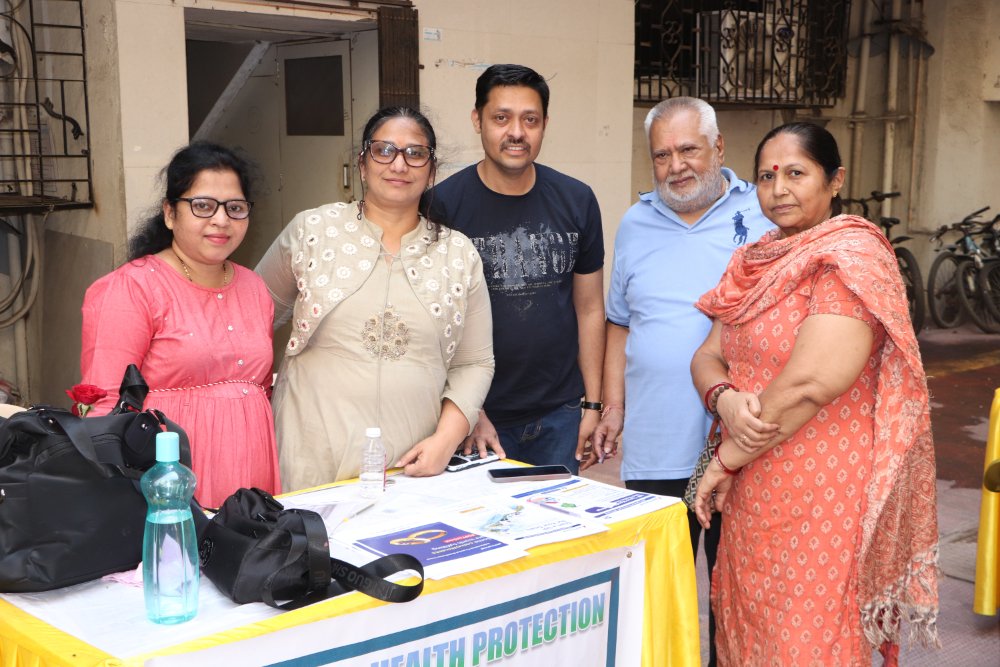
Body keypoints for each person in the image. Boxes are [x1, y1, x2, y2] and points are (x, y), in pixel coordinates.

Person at [691, 122, 939, 665]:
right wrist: (723, 397)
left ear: (835, 180)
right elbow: (707, 356)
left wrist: (724, 460)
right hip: (754, 489)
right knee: (750, 627)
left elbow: (812, 381)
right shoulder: (753, 262)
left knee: (808, 638)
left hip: (824, 494)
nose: (778, 189)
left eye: (796, 173)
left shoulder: (850, 257)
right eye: (766, 176)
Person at [591, 97, 772, 666]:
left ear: (719, 148)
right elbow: (619, 322)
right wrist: (612, 406)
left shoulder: (763, 213)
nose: (676, 166)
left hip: (743, 446)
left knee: (735, 598)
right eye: (661, 155)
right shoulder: (636, 222)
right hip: (657, 445)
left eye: (688, 149)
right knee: (656, 599)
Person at [255, 106, 495, 491]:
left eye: (415, 153)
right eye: (384, 150)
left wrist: (446, 440)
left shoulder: (458, 255)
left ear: (432, 171)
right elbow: (248, 318)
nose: (399, 164)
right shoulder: (312, 232)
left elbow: (475, 363)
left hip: (411, 464)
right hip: (310, 454)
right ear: (362, 165)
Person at [425, 64, 605, 474]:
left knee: (556, 517)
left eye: (530, 120)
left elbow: (590, 308)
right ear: (478, 120)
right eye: (501, 118)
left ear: (545, 125)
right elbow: (435, 325)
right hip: (478, 417)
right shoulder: (441, 206)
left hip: (560, 414)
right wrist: (468, 410)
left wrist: (592, 405)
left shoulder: (577, 200)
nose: (517, 133)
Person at [81, 142, 280, 507]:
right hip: (169, 479)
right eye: (203, 206)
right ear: (170, 213)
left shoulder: (254, 287)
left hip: (252, 471)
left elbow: (261, 387)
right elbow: (106, 404)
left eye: (235, 208)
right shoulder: (132, 288)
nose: (221, 220)